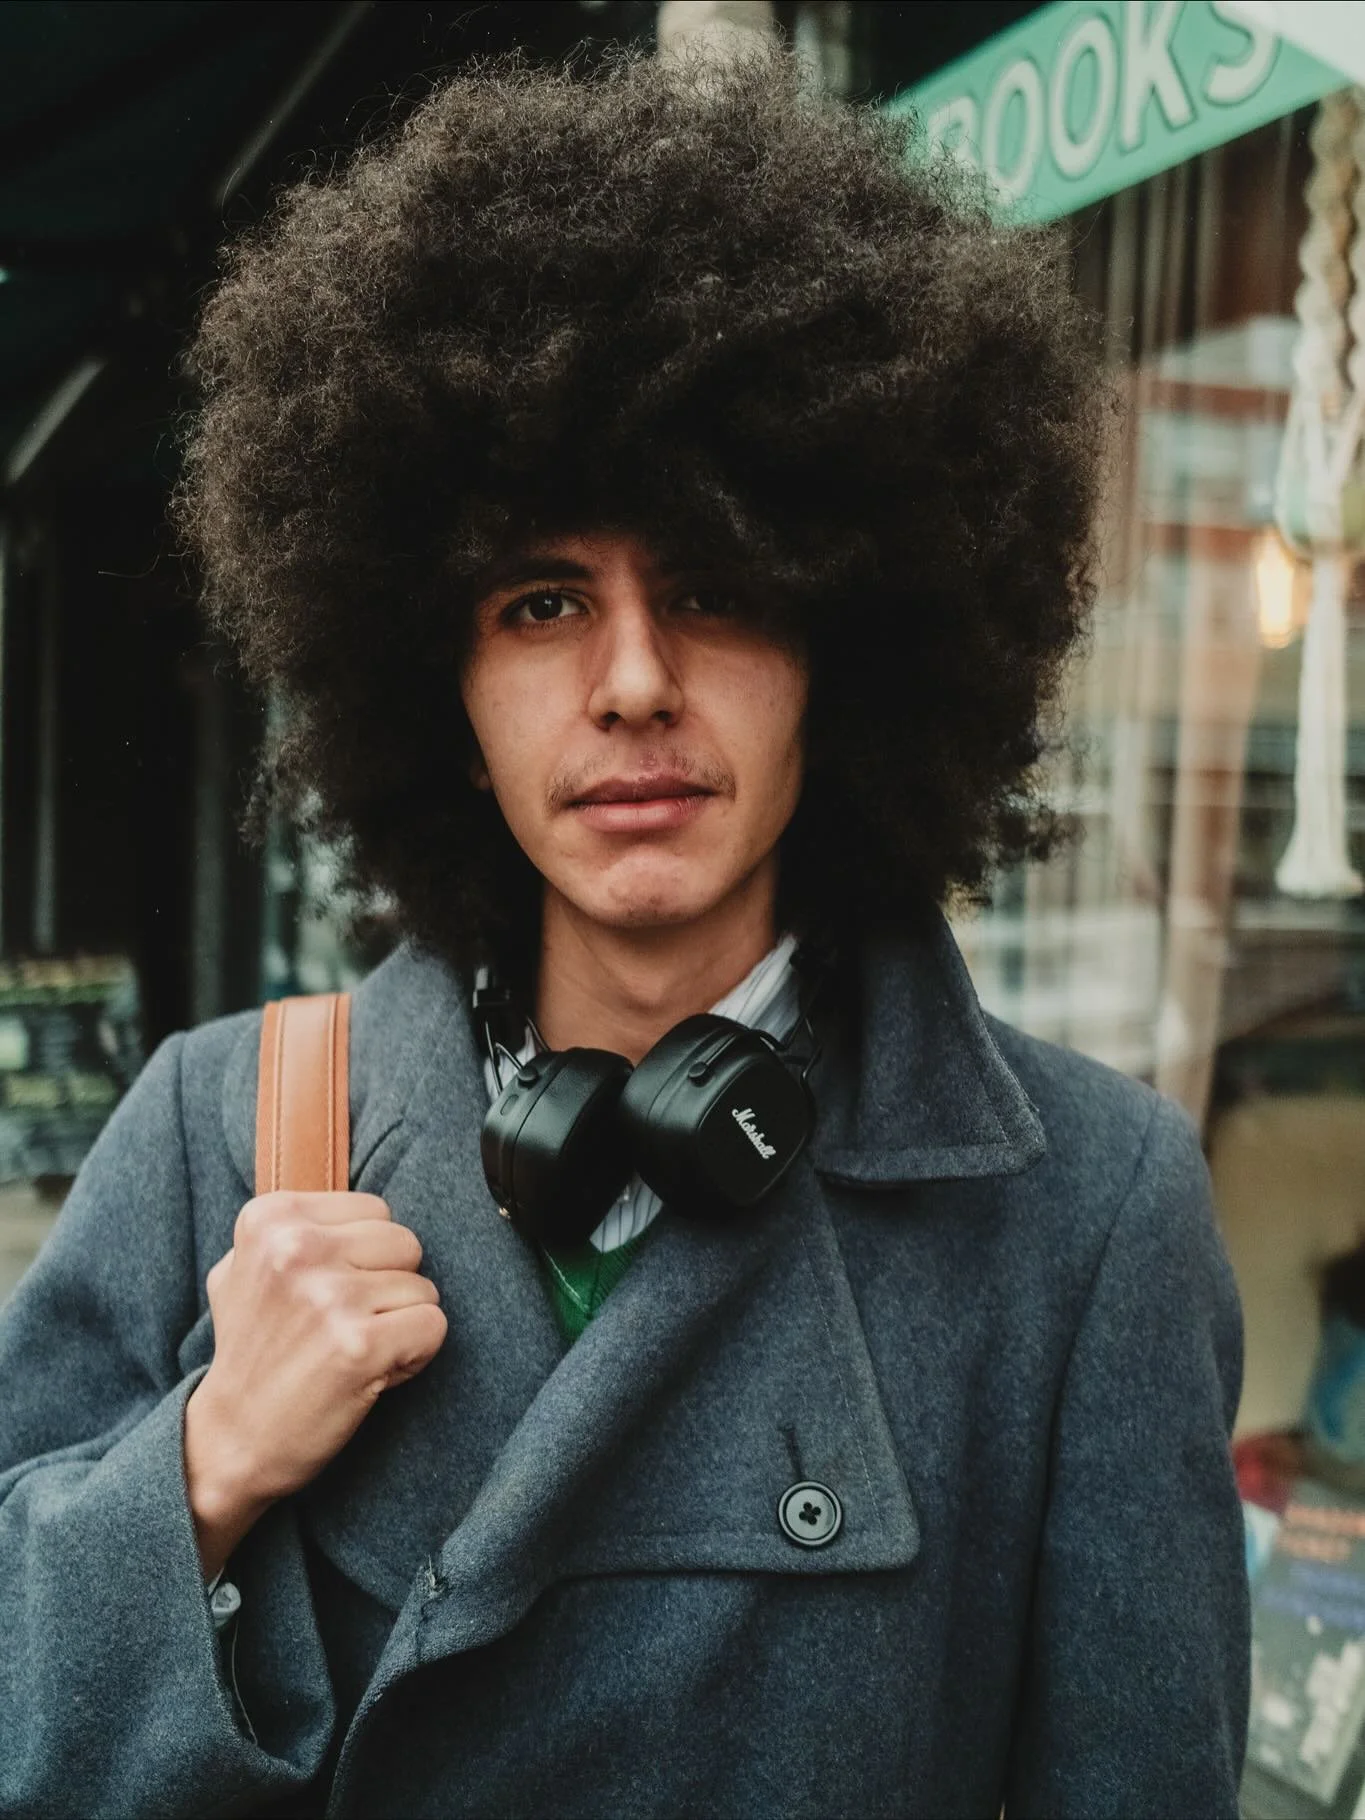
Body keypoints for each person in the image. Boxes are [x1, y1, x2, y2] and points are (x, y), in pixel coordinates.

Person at [0, 44, 1248, 1820]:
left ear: (855, 652)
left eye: (720, 590)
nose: (637, 682)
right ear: (439, 681)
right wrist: (200, 1467)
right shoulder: (222, 1133)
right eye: (543, 601)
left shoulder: (1085, 1217)